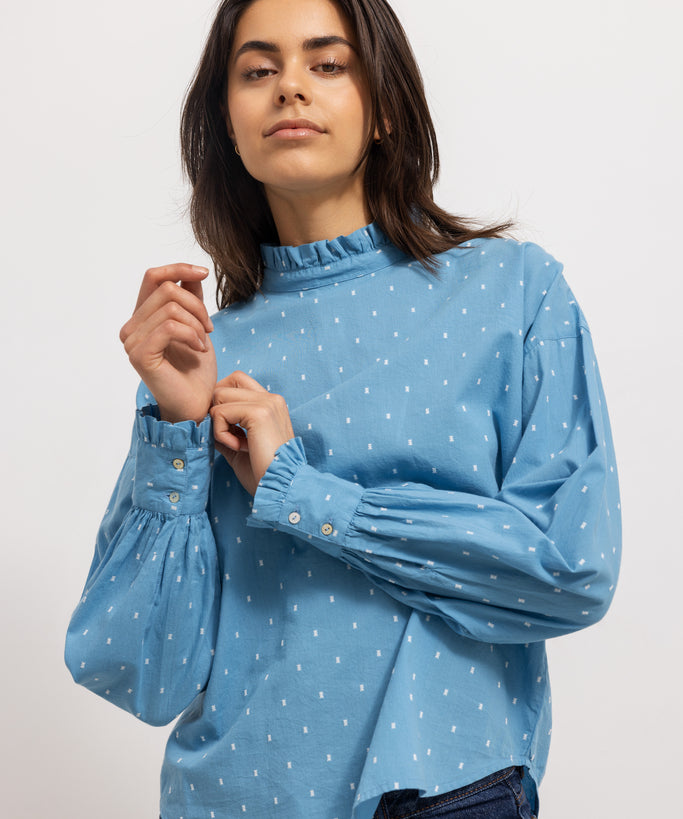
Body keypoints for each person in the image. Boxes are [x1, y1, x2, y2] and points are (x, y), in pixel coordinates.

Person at [65, 0, 621, 816]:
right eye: (258, 70)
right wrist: (176, 429)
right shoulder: (203, 357)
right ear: (227, 123)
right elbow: (140, 673)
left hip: (443, 787)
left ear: (385, 106)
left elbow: (568, 569)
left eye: (327, 64)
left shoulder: (511, 293)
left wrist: (304, 494)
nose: (290, 87)